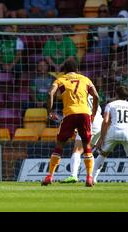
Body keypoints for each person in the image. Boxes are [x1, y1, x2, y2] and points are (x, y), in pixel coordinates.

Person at [42, 59, 100, 187]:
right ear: (77, 69)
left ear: (65, 70)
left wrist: (50, 111)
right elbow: (96, 96)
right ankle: (89, 177)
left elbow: (50, 93)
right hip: (85, 114)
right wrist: (93, 113)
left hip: (69, 114)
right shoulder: (85, 79)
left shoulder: (60, 79)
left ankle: (49, 176)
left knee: (60, 145)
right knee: (87, 146)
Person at [61, 94, 103, 183]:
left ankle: (73, 175)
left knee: (77, 150)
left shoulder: (78, 96)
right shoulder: (92, 96)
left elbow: (75, 112)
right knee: (92, 152)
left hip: (88, 122)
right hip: (100, 123)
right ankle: (93, 178)